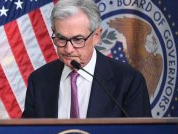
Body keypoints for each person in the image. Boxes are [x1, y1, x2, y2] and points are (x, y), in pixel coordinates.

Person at [22, 0, 151, 118]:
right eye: (61, 38)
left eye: (78, 39)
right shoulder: (38, 81)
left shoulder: (129, 81)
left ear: (96, 36)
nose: (68, 49)